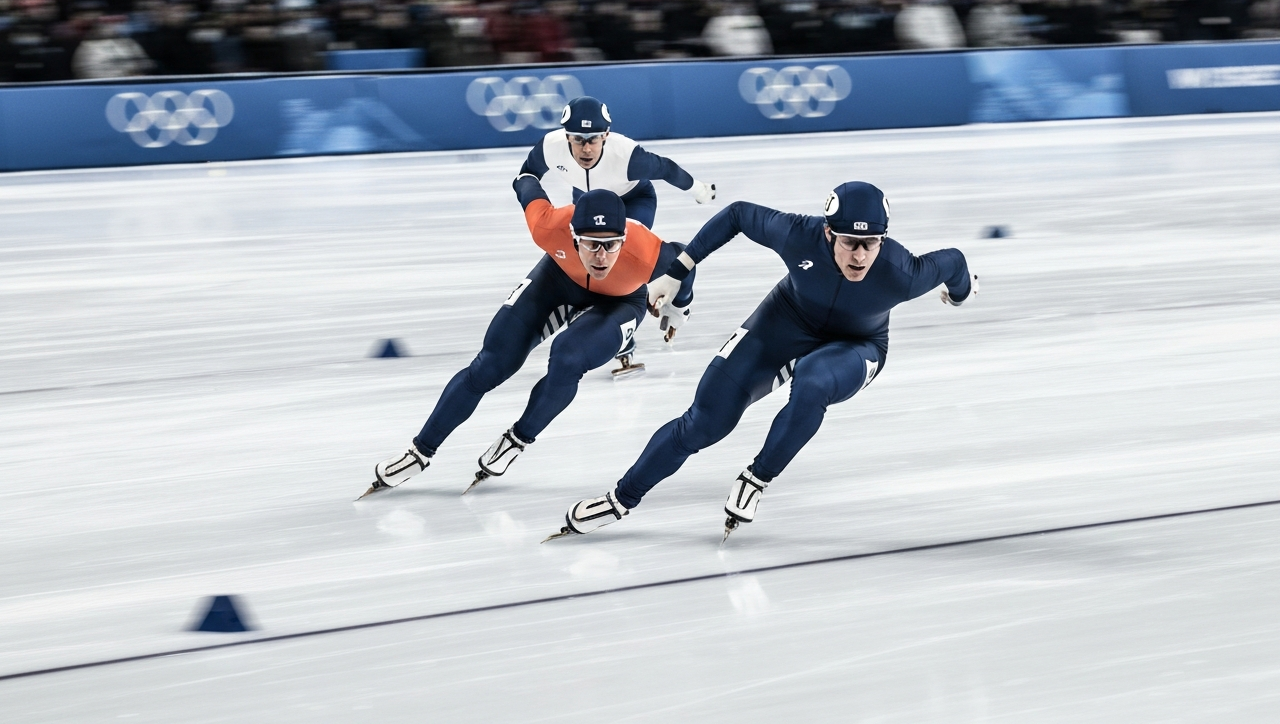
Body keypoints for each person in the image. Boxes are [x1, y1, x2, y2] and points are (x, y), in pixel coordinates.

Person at [548, 181, 976, 542]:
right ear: (829, 234)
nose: (860, 257)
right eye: (850, 244)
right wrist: (679, 269)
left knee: (813, 381)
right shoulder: (797, 234)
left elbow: (954, 263)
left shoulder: (903, 272)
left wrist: (958, 294)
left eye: (870, 245)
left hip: (857, 343)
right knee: (704, 421)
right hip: (784, 320)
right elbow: (736, 214)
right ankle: (621, 499)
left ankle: (757, 478)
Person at [359, 185, 696, 499]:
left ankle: (518, 438)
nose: (601, 257)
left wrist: (680, 306)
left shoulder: (648, 251)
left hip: (621, 301)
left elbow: (688, 264)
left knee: (567, 357)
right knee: (490, 365)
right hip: (557, 280)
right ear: (572, 236)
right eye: (591, 244)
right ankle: (420, 451)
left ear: (625, 238)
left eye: (611, 244)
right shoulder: (549, 226)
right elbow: (526, 179)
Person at [516, 94, 716, 372]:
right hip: (587, 199)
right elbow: (528, 174)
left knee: (620, 258)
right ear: (566, 136)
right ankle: (604, 319)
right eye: (578, 139)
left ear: (606, 135)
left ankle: (645, 317)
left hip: (632, 201)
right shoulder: (551, 147)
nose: (586, 149)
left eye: (593, 139)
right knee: (586, 254)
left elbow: (667, 169)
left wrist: (700, 191)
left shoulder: (627, 157)